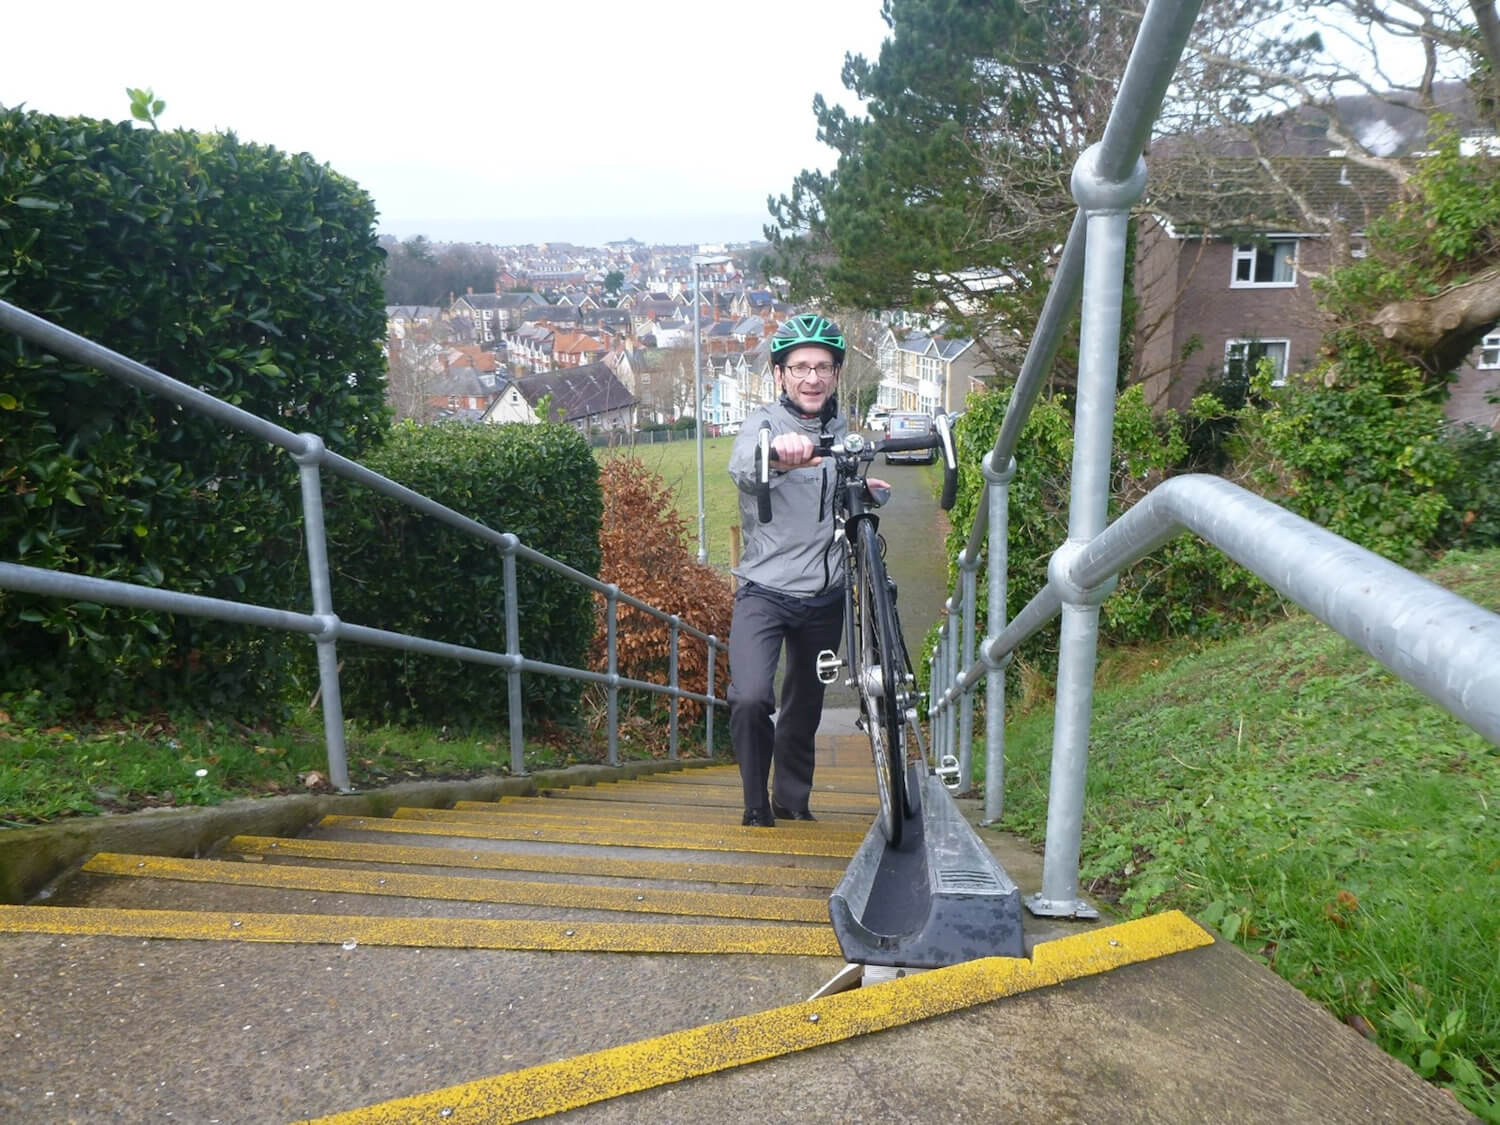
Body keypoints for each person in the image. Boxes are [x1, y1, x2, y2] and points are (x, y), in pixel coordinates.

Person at [725, 313, 884, 827]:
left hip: (825, 594)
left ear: (836, 375)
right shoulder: (764, 423)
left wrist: (863, 489)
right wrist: (777, 454)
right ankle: (755, 802)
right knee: (751, 696)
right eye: (800, 368)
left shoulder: (840, 428)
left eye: (822, 367)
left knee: (805, 704)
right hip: (765, 590)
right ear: (780, 375)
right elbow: (744, 466)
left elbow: (837, 487)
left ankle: (791, 800)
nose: (812, 377)